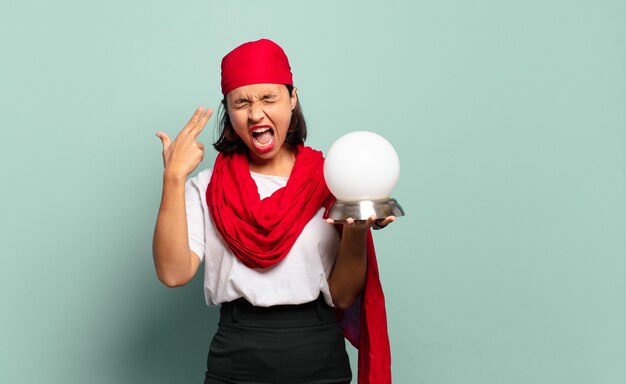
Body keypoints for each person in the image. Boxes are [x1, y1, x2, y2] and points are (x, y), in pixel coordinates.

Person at [153, 38, 393, 384]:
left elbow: (342, 295)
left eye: (269, 98)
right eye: (241, 102)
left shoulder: (332, 180)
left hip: (318, 350)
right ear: (229, 110)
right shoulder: (206, 187)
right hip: (236, 351)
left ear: (292, 99)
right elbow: (173, 274)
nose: (256, 113)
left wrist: (357, 227)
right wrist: (173, 178)